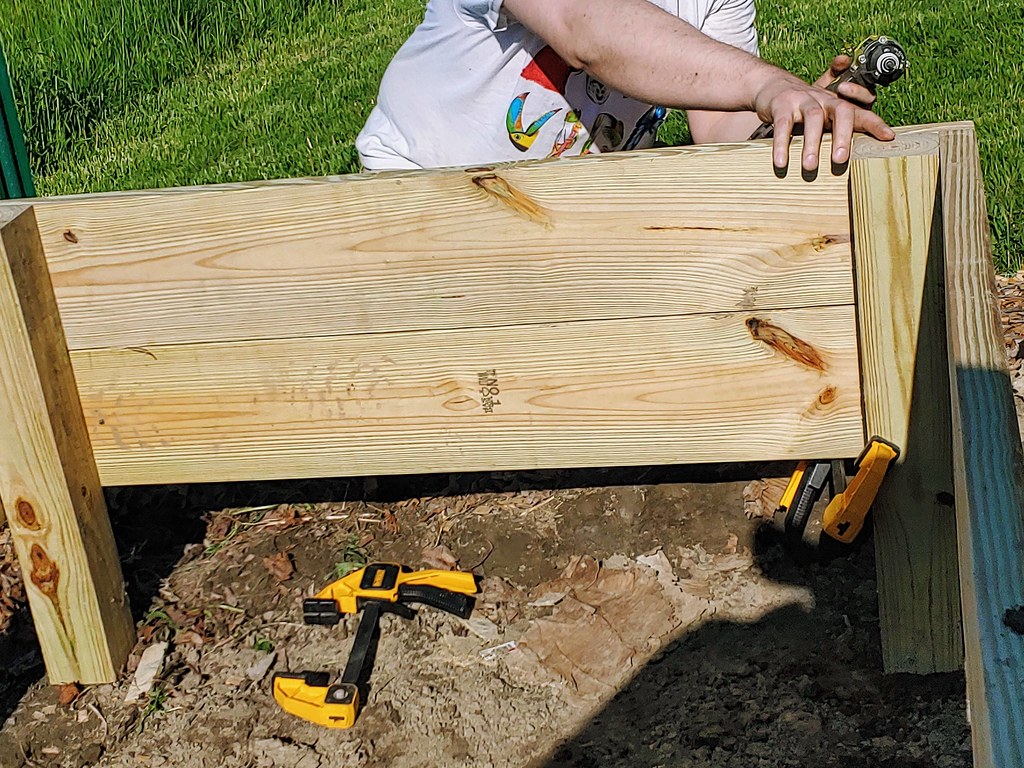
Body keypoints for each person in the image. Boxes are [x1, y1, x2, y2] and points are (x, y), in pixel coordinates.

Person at [356, 0, 894, 174]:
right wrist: (764, 82)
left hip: (566, 218)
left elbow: (719, 128)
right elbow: (587, 31)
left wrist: (786, 118)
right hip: (418, 190)